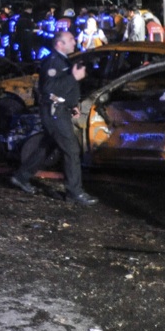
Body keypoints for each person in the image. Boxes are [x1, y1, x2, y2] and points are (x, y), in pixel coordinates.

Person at [10, 31, 98, 206]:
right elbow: (49, 89)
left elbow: (61, 89)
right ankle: (74, 192)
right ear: (60, 44)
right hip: (54, 113)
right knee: (71, 150)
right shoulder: (53, 62)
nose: (74, 41)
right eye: (70, 39)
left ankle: (21, 177)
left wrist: (72, 104)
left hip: (59, 111)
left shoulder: (62, 60)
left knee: (48, 147)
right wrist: (73, 77)